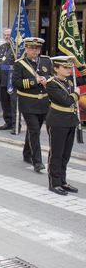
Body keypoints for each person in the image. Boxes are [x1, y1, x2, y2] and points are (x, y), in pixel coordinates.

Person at [45, 56, 86, 195]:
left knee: (65, 155)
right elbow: (67, 101)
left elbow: (85, 76)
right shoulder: (51, 84)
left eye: (70, 67)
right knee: (56, 153)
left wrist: (78, 63)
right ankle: (54, 183)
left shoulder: (70, 80)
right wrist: (76, 93)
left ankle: (63, 181)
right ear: (56, 68)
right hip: (57, 121)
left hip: (70, 121)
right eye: (65, 67)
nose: (69, 70)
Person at [14, 37, 52, 173]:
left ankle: (26, 153)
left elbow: (52, 76)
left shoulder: (47, 61)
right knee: (35, 130)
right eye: (31, 48)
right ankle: (38, 162)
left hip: (43, 103)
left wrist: (46, 79)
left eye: (36, 48)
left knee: (33, 130)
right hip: (28, 103)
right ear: (26, 48)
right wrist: (34, 81)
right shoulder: (19, 64)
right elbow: (16, 83)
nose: (34, 51)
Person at [0, 27, 17, 132]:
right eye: (5, 35)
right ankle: (8, 122)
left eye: (8, 35)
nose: (6, 37)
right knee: (5, 103)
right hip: (2, 79)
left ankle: (15, 125)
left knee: (13, 103)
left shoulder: (17, 49)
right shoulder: (2, 47)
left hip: (12, 80)